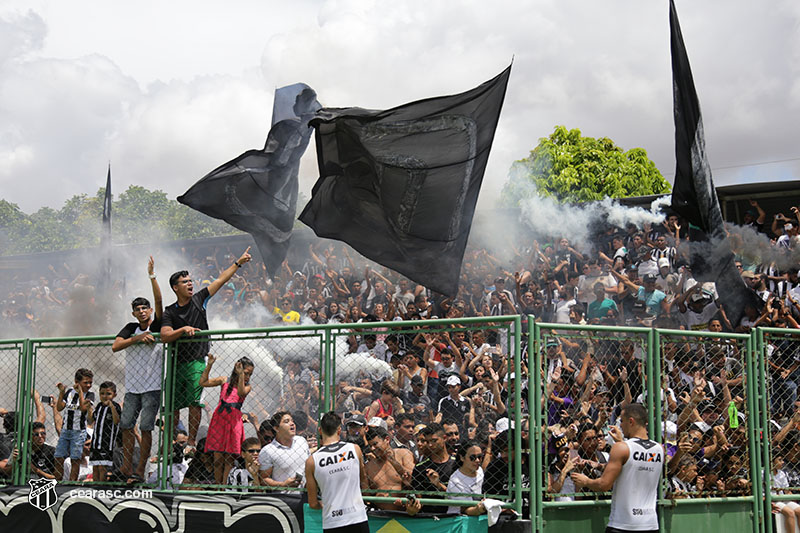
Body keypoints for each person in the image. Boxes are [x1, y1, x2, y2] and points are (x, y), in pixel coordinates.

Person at [160, 247, 252, 446]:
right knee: (172, 406)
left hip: (196, 361)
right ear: (175, 287)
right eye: (185, 282)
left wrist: (238, 263)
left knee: (195, 403)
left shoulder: (199, 299)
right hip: (176, 363)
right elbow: (165, 335)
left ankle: (191, 442)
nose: (190, 284)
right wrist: (183, 329)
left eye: (190, 281)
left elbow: (220, 280)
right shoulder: (170, 311)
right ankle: (168, 444)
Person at [571, 403, 663, 533]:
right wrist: (622, 442)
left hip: (623, 524)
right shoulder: (659, 449)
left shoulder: (621, 448)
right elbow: (634, 465)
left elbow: (604, 484)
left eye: (622, 421)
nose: (620, 425)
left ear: (631, 421)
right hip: (650, 523)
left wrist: (585, 481)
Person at [112, 256, 163, 484]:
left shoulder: (159, 325)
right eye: (137, 309)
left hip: (153, 386)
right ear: (133, 313)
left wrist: (152, 276)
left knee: (146, 428)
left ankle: (140, 469)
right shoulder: (132, 328)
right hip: (132, 386)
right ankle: (125, 465)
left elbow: (160, 302)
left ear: (150, 310)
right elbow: (115, 346)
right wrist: (138, 338)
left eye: (145, 308)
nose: (142, 311)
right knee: (125, 426)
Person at [306, 411, 369, 533]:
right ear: (339, 430)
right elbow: (363, 480)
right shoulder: (355, 449)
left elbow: (313, 503)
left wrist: (325, 506)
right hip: (357, 517)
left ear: (320, 430)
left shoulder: (312, 461)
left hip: (332, 521)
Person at [199, 354, 254, 484]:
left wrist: (241, 375)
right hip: (220, 420)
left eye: (249, 375)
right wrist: (210, 365)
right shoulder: (225, 380)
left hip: (234, 421)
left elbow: (240, 392)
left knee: (229, 459)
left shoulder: (247, 386)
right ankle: (218, 486)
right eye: (246, 373)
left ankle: (224, 487)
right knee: (217, 458)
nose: (247, 377)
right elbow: (203, 382)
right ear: (237, 368)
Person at [54, 368, 94, 481]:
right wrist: (61, 392)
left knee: (75, 459)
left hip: (79, 431)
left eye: (90, 382)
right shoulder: (69, 392)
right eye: (85, 382)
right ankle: (57, 482)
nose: (89, 385)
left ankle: (72, 484)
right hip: (66, 429)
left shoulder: (90, 395)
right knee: (58, 457)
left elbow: (83, 408)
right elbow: (59, 407)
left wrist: (81, 392)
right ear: (77, 382)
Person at [364, 426, 415, 510]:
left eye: (375, 444)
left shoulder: (403, 454)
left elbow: (414, 478)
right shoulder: (369, 466)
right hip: (379, 514)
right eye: (370, 445)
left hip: (405, 513)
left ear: (387, 439)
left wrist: (393, 462)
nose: (372, 448)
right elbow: (366, 494)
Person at [259, 411, 310, 489]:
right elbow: (263, 479)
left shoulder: (301, 441)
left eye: (292, 421)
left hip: (306, 494)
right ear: (276, 428)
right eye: (286, 421)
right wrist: (283, 485)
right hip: (283, 497)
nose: (292, 423)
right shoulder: (268, 451)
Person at [89, 381, 121, 483]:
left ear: (114, 395)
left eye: (108, 394)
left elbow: (116, 421)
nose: (105, 396)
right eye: (102, 393)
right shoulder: (99, 406)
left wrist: (111, 407)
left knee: (103, 467)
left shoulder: (115, 406)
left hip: (106, 444)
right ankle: (94, 486)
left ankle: (101, 486)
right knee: (95, 467)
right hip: (95, 443)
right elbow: (92, 419)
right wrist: (89, 408)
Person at [446, 441, 487, 515]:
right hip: (459, 519)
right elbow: (465, 510)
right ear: (462, 458)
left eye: (480, 457)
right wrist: (480, 509)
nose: (477, 460)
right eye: (472, 457)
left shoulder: (480, 471)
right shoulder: (455, 481)